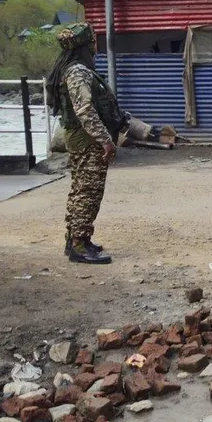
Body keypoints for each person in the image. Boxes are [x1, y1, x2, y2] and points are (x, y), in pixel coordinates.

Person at [47, 23, 125, 265]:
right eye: (92, 41)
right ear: (83, 45)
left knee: (80, 189)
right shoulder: (78, 71)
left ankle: (76, 240)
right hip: (87, 140)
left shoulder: (70, 68)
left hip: (81, 138)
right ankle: (79, 246)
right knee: (88, 193)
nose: (95, 46)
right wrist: (105, 141)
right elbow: (85, 110)